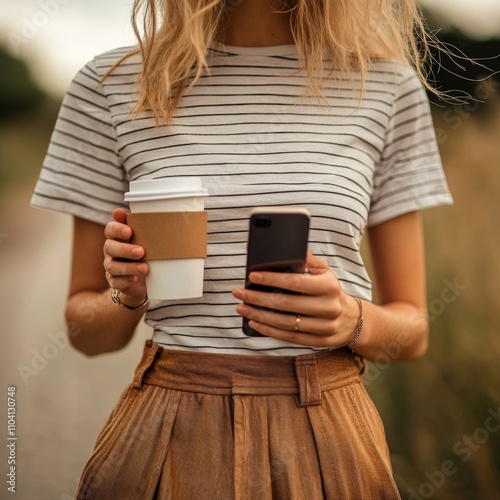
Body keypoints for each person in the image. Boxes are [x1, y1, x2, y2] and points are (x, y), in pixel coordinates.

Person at [31, 0, 453, 498]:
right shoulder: (108, 85)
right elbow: (85, 333)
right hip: (168, 424)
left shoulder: (386, 85)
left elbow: (414, 331)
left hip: (329, 431)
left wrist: (350, 319)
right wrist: (128, 294)